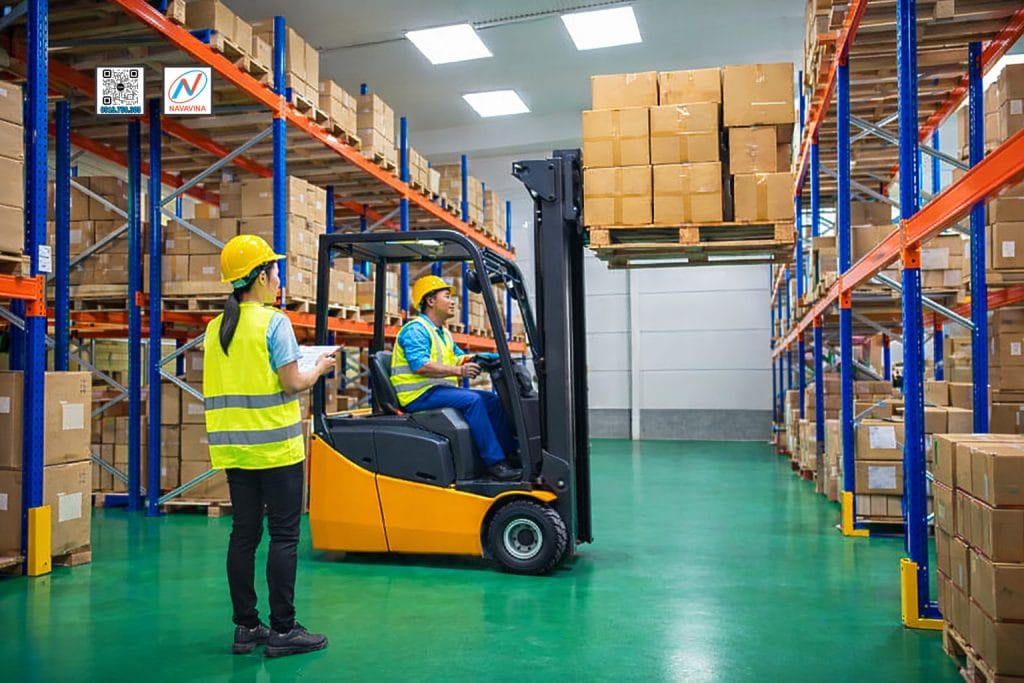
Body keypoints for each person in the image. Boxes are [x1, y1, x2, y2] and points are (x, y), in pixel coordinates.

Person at [203, 234, 334, 658]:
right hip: (276, 449)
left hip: (235, 450)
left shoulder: (214, 327)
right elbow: (291, 381)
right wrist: (317, 368)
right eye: (275, 270)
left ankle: (246, 627)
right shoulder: (274, 322)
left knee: (243, 535)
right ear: (261, 276)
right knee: (283, 536)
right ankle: (283, 630)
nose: (278, 277)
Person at [389, 275, 520, 481]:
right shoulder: (416, 330)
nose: (453, 302)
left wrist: (493, 358)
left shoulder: (443, 332)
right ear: (431, 301)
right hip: (417, 395)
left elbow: (459, 357)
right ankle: (494, 463)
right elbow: (420, 365)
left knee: (492, 401)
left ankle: (509, 453)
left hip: (437, 390)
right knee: (473, 401)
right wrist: (459, 372)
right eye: (447, 296)